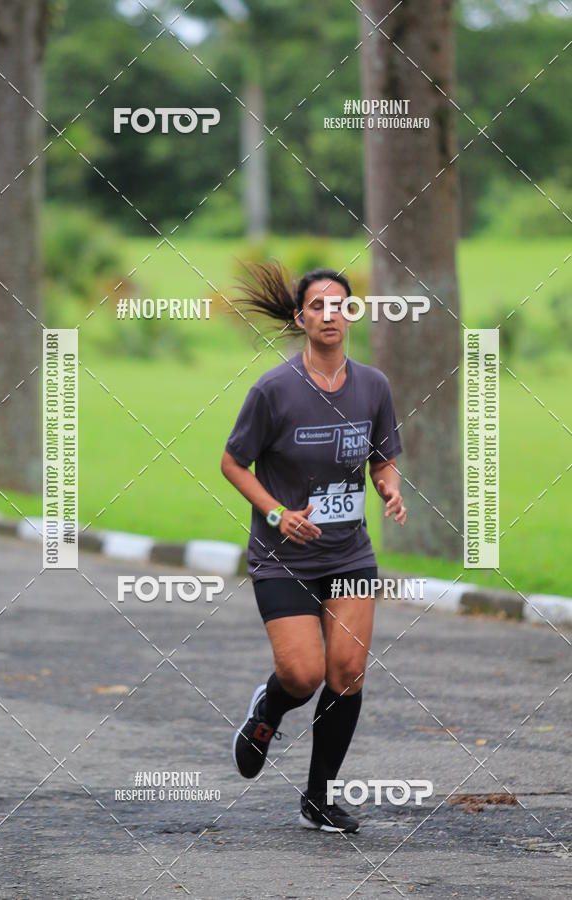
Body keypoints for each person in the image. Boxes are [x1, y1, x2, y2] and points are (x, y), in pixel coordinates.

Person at [221, 262, 406, 833]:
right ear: (301, 318)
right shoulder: (273, 390)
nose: (330, 315)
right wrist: (277, 513)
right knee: (304, 674)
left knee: (347, 671)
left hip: (349, 554)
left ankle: (319, 798)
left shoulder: (373, 386)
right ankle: (269, 708)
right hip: (283, 558)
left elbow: (383, 458)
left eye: (340, 305)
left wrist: (389, 486)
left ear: (351, 315)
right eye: (318, 306)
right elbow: (233, 463)